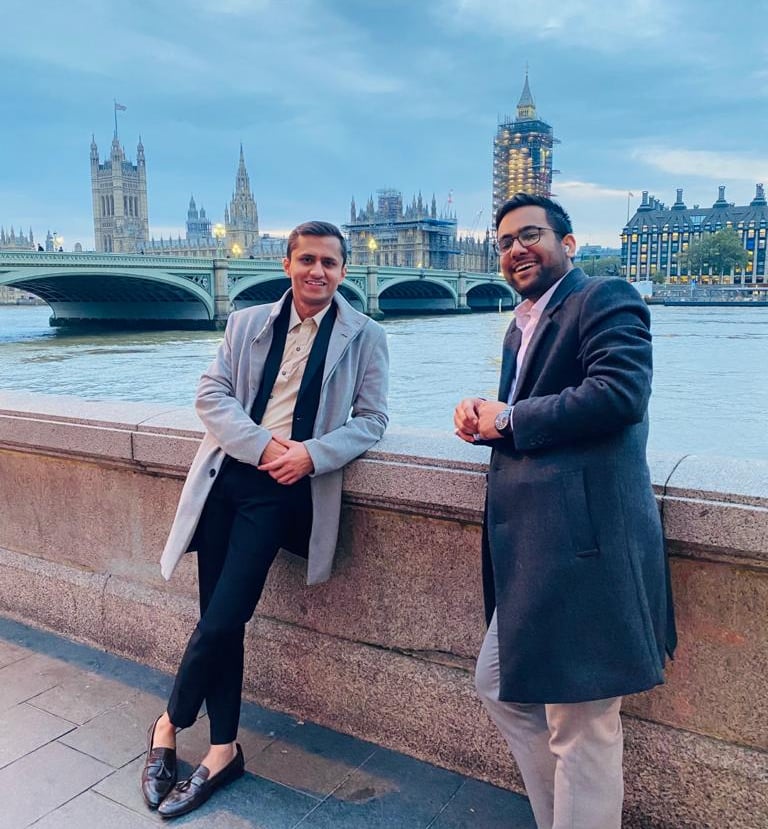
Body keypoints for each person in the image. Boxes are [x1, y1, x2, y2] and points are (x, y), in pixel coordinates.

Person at [141, 220, 389, 819]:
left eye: (330, 263)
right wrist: (261, 445)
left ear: (344, 271)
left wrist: (310, 454)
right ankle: (224, 748)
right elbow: (211, 395)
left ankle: (167, 724)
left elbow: (372, 420)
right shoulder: (246, 322)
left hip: (281, 491)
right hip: (227, 477)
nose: (317, 272)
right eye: (307, 260)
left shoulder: (365, 336)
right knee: (218, 622)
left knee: (226, 616)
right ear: (286, 264)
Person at [454, 194, 676, 829]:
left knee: (584, 724)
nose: (516, 249)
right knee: (499, 686)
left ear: (568, 244)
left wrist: (511, 418)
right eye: (505, 242)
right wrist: (485, 418)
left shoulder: (605, 297)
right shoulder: (522, 323)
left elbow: (618, 394)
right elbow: (534, 416)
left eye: (532, 235)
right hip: (535, 550)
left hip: (587, 546)